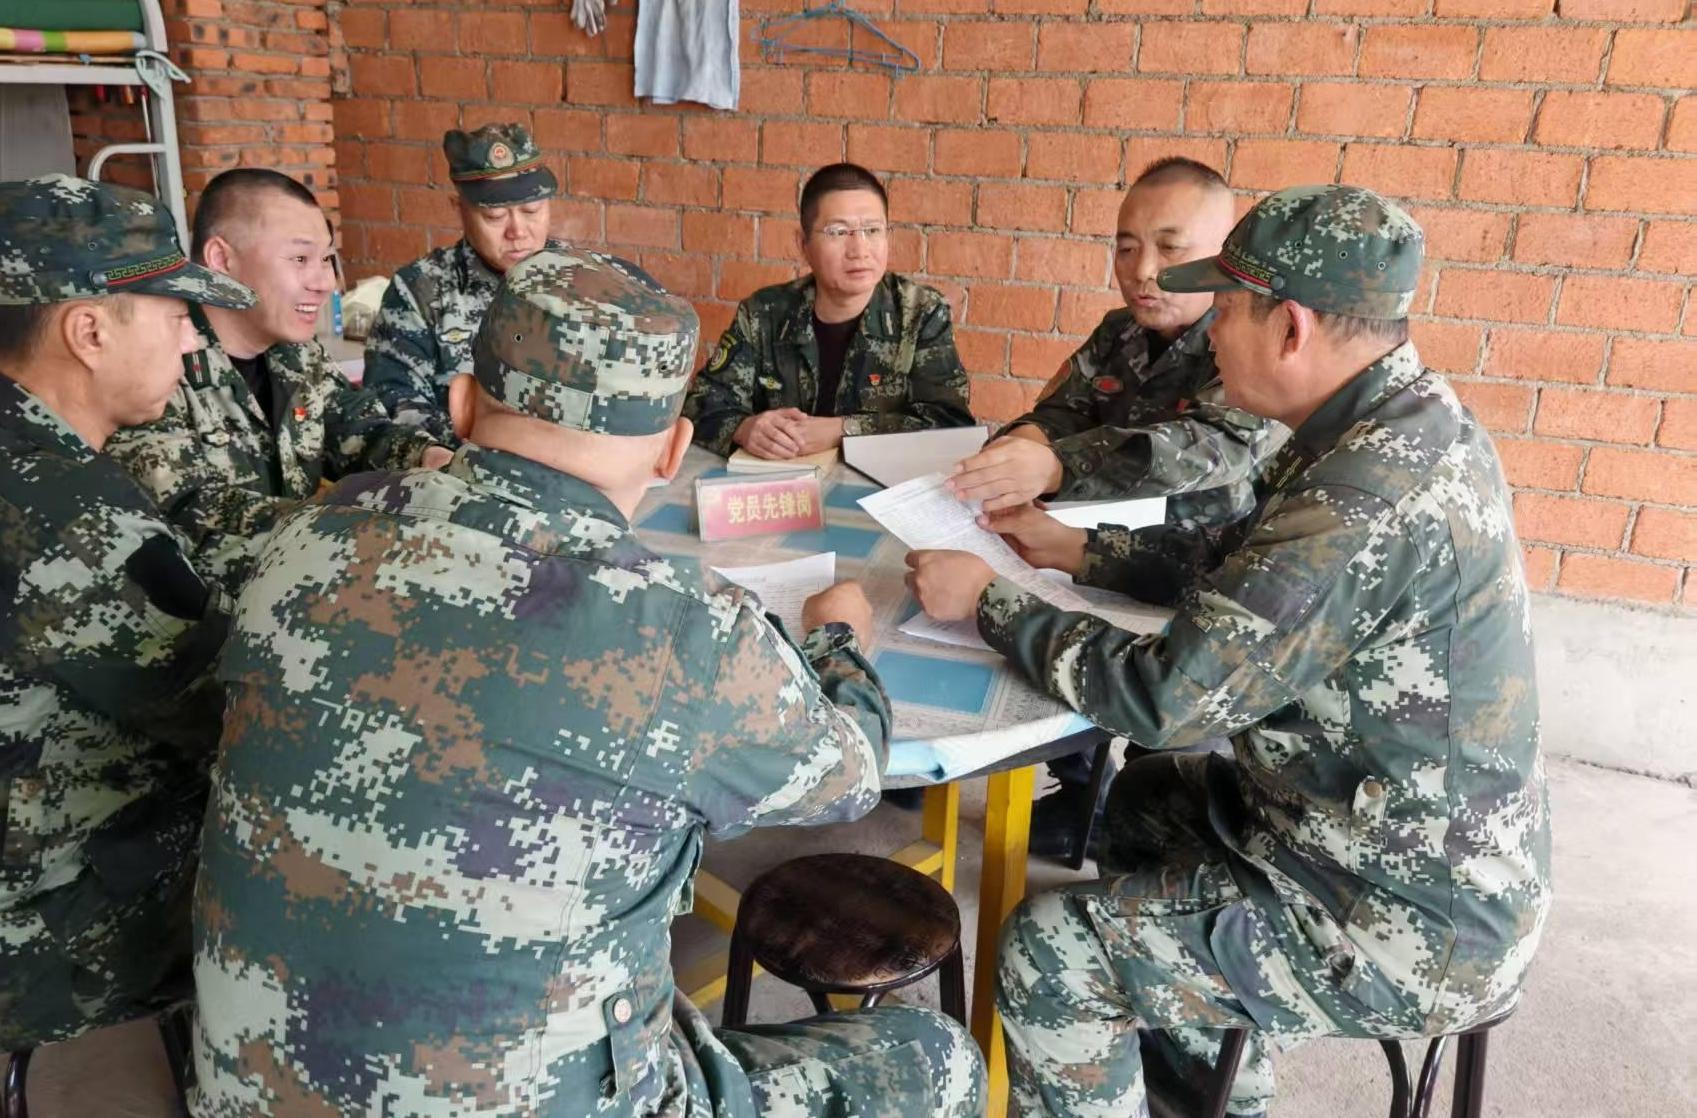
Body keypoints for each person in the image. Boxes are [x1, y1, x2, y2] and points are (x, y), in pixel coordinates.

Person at [190, 248, 986, 1117]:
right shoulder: (684, 629)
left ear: (462, 404)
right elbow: (852, 776)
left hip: (242, 1087)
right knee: (932, 1055)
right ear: (673, 450)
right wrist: (838, 636)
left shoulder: (303, 540)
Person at [905, 186, 1550, 1117]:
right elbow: (1245, 565)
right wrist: (1081, 551)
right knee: (1143, 801)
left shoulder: (1363, 497)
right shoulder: (1386, 417)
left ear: (1289, 327)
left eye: (1225, 309)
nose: (1209, 334)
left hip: (1400, 913)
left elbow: (1166, 697)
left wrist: (989, 604)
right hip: (1345, 825)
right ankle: (1218, 1091)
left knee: (1052, 950)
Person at [950, 157, 1287, 863]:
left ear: (1221, 257)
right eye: (1126, 247)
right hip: (1094, 554)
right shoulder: (1118, 333)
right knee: (1049, 659)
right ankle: (1080, 790)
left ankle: (1140, 814)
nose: (1142, 270)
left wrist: (1058, 464)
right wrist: (1023, 444)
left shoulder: (1242, 342)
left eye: (1169, 248)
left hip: (1203, 574)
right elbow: (1061, 409)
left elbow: (1211, 446)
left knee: (1167, 742)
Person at [0, 175, 252, 1052]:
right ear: (89, 332)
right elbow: (229, 710)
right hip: (34, 945)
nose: (192, 339)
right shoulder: (68, 515)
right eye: (176, 314)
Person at [106, 168, 449, 593]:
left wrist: (429, 458)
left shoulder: (296, 354)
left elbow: (357, 430)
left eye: (326, 259)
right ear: (221, 260)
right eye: (300, 259)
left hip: (299, 588)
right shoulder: (157, 363)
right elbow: (189, 516)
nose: (325, 283)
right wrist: (353, 528)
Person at [684, 162, 974, 459]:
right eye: (838, 232)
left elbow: (950, 424)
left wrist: (843, 430)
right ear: (803, 243)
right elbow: (700, 404)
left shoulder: (920, 313)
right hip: (779, 480)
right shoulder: (763, 313)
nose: (859, 250)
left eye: (872, 230)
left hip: (875, 485)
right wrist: (744, 428)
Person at [363, 122, 569, 444]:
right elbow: (391, 403)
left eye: (532, 210)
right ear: (458, 209)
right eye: (495, 216)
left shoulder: (579, 279)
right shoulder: (421, 290)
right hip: (460, 466)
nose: (517, 231)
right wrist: (491, 444)